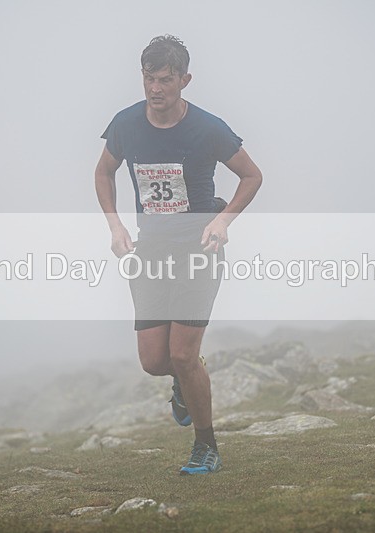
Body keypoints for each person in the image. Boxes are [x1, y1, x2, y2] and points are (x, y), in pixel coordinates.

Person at [94, 35, 262, 475]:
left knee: (184, 354)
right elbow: (104, 172)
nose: (156, 89)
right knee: (155, 361)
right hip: (150, 250)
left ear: (184, 80)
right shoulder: (126, 124)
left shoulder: (207, 128)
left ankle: (206, 446)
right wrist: (115, 225)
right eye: (149, 79)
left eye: (166, 80)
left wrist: (222, 221)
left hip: (198, 247)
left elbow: (251, 176)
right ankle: (184, 381)